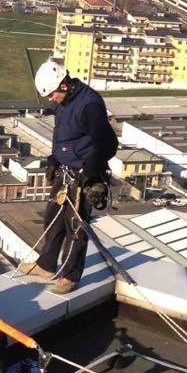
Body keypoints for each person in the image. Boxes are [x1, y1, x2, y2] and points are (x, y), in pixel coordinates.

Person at [31, 57, 118, 295]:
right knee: (53, 217)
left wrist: (89, 171)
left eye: (52, 95)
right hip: (66, 168)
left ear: (65, 85)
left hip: (84, 172)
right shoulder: (63, 102)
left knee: (75, 226)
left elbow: (108, 144)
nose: (51, 100)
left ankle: (70, 277)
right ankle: (46, 266)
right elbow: (63, 136)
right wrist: (54, 158)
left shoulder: (89, 104)